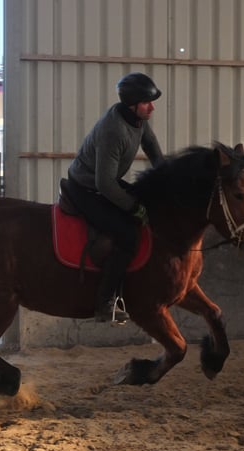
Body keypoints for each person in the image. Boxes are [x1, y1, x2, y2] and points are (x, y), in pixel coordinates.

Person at [65, 72, 164, 324]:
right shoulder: (114, 129)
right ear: (133, 104)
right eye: (147, 103)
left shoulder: (137, 120)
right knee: (128, 235)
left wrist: (168, 177)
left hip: (104, 182)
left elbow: (152, 148)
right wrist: (135, 208)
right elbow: (105, 184)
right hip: (86, 188)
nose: (152, 107)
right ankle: (105, 302)